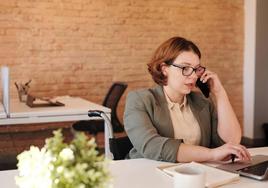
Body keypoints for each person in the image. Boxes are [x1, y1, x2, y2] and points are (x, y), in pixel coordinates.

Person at [123, 36, 251, 163]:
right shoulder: (139, 100)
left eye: (196, 69)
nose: (194, 75)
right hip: (148, 173)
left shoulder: (202, 101)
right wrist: (211, 154)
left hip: (193, 175)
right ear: (164, 69)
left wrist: (220, 93)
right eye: (185, 68)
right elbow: (151, 145)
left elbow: (231, 142)